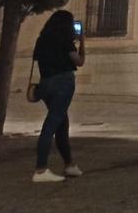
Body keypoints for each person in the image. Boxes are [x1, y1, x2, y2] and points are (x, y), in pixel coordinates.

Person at [30, 10, 85, 183]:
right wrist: (82, 42)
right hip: (63, 83)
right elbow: (79, 61)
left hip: (46, 84)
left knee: (62, 122)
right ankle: (40, 170)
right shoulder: (65, 40)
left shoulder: (42, 40)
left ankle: (69, 165)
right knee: (52, 123)